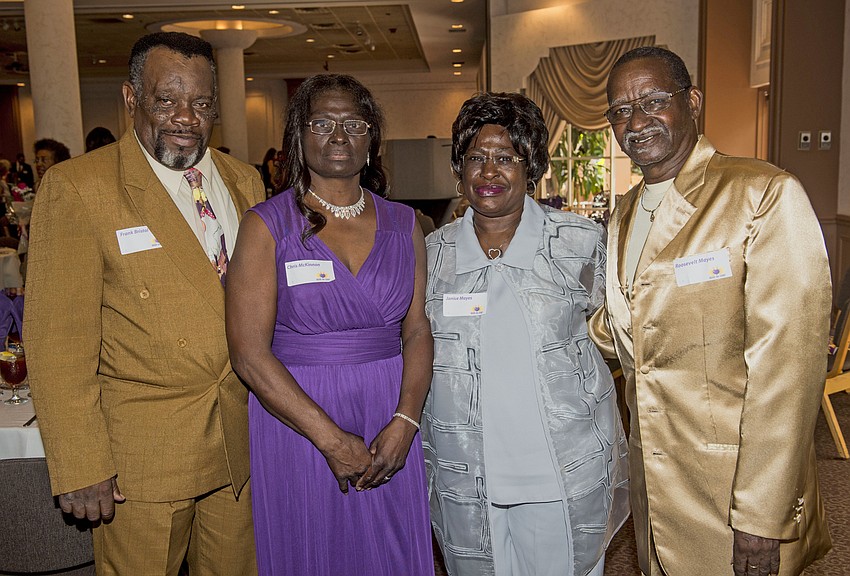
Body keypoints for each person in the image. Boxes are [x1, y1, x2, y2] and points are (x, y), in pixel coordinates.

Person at [24, 31, 264, 575]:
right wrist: (80, 463)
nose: (185, 117)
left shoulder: (244, 180)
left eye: (201, 104)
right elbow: (57, 341)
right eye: (166, 100)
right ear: (132, 99)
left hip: (240, 447)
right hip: (143, 462)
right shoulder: (78, 188)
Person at [589, 46, 832, 576]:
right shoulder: (625, 212)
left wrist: (762, 513)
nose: (636, 120)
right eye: (620, 110)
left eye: (652, 100)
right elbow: (624, 330)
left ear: (692, 102)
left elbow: (787, 371)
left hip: (732, 489)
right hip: (655, 482)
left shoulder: (762, 194)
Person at [226, 73, 435, 575]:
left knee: (390, 554)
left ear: (371, 139)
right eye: (322, 122)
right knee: (313, 551)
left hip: (390, 417)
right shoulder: (265, 225)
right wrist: (332, 440)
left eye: (354, 124)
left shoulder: (406, 223)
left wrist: (406, 421)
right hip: (299, 423)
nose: (339, 136)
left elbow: (418, 330)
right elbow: (248, 355)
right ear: (298, 136)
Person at [423, 92, 630, 576]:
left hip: (559, 469)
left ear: (530, 166)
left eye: (505, 158)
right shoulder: (432, 254)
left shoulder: (579, 243)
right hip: (466, 470)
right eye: (476, 157)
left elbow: (621, 337)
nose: (489, 172)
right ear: (460, 166)